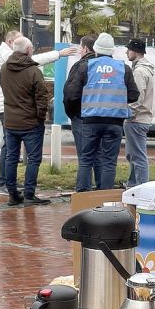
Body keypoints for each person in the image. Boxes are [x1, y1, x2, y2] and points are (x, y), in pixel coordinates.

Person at [0, 31, 76, 195]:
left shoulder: (8, 60)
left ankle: (9, 185)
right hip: (10, 108)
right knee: (11, 150)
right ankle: (7, 185)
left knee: (9, 149)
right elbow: (32, 65)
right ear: (10, 42)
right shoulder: (9, 56)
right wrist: (58, 54)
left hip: (7, 107)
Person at [65, 33, 139, 191]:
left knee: (86, 160)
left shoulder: (86, 66)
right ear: (112, 51)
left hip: (90, 121)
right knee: (109, 162)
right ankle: (104, 198)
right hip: (114, 123)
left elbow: (72, 94)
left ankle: (83, 195)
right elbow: (134, 95)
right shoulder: (123, 68)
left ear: (96, 49)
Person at [0, 36, 53, 206]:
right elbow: (42, 97)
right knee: (34, 158)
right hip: (31, 123)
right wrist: (40, 116)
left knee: (11, 157)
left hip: (10, 121)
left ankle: (12, 194)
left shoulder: (4, 68)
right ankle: (29, 194)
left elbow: (4, 89)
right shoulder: (33, 71)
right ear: (28, 50)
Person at [62, 34, 102, 189]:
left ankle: (84, 192)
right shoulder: (106, 66)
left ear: (85, 48)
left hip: (82, 117)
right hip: (101, 117)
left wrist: (72, 114)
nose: (79, 50)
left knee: (85, 158)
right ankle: (102, 190)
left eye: (80, 47)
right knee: (100, 157)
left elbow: (70, 94)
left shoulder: (81, 66)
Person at [124, 38, 155, 188]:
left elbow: (137, 97)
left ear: (135, 52)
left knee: (137, 156)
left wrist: (129, 113)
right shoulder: (144, 69)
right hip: (139, 119)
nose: (126, 52)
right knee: (133, 155)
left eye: (128, 50)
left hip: (137, 119)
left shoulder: (139, 72)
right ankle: (132, 184)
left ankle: (141, 188)